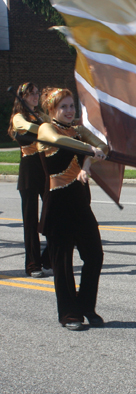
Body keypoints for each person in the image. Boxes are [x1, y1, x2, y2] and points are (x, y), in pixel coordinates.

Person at [38, 87, 108, 331]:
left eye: (71, 106)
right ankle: (69, 313)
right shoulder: (46, 129)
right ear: (52, 110)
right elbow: (57, 141)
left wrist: (86, 165)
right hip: (57, 204)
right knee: (63, 262)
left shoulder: (78, 131)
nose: (69, 111)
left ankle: (86, 306)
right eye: (63, 107)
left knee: (95, 255)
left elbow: (103, 147)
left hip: (80, 203)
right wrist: (88, 150)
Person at [7, 82, 51, 278]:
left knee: (55, 216)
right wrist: (45, 127)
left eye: (37, 93)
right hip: (29, 172)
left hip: (45, 170)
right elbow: (31, 129)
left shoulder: (41, 116)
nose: (35, 96)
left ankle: (48, 259)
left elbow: (55, 128)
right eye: (31, 93)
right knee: (30, 222)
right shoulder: (19, 118)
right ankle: (33, 265)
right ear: (23, 97)